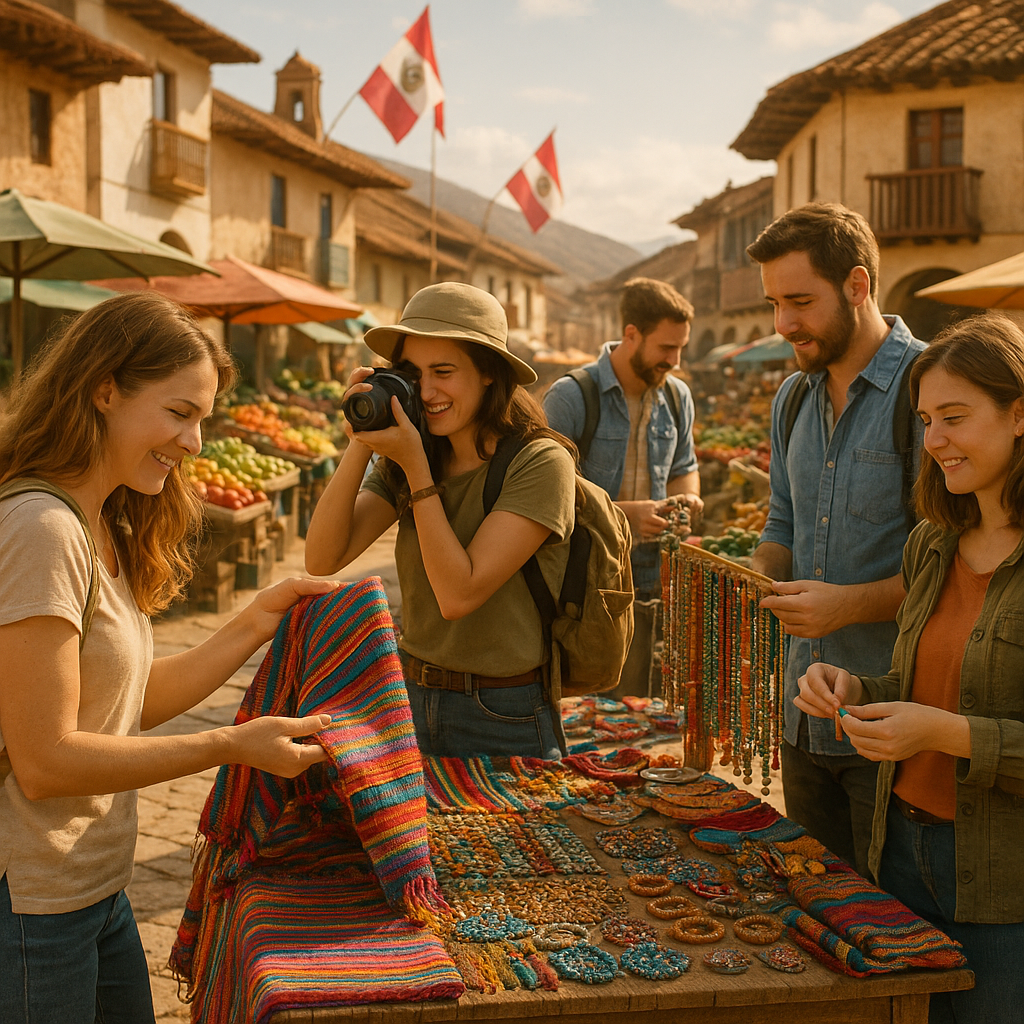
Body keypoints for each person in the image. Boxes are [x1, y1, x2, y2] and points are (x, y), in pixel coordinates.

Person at [0, 292, 338, 1023]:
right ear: (104, 389)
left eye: (203, 421)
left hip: (92, 887)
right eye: (178, 412)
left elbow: (124, 705)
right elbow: (45, 758)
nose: (193, 442)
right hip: (27, 905)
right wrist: (232, 746)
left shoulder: (101, 519)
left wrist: (255, 620)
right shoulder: (42, 529)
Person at [797, 314, 1024, 1024]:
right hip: (899, 849)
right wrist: (859, 689)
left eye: (954, 417)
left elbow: (952, 718)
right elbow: (926, 687)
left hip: (1002, 883)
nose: (934, 442)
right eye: (926, 420)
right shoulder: (933, 542)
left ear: (1020, 414)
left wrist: (944, 734)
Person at [305, 282, 576, 760]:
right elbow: (323, 557)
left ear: (490, 373)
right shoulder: (419, 451)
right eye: (412, 373)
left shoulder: (539, 462)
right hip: (410, 698)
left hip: (503, 712)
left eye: (444, 372)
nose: (427, 392)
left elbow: (458, 595)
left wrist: (416, 471)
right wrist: (360, 436)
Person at [747, 202, 925, 877]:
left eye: (799, 301)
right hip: (801, 721)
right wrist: (760, 569)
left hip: (894, 725)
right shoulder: (792, 397)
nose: (783, 324)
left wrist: (845, 607)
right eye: (774, 303)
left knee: (898, 938)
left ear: (857, 285)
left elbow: (963, 574)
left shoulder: (930, 389)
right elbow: (783, 524)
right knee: (818, 913)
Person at [543, 277, 701, 699]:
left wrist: (686, 498)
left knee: (645, 711)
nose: (676, 360)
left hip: (654, 578)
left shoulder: (677, 397)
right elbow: (541, 492)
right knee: (591, 707)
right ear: (631, 335)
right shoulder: (571, 396)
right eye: (667, 348)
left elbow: (684, 465)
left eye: (681, 347)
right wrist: (626, 515)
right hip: (585, 582)